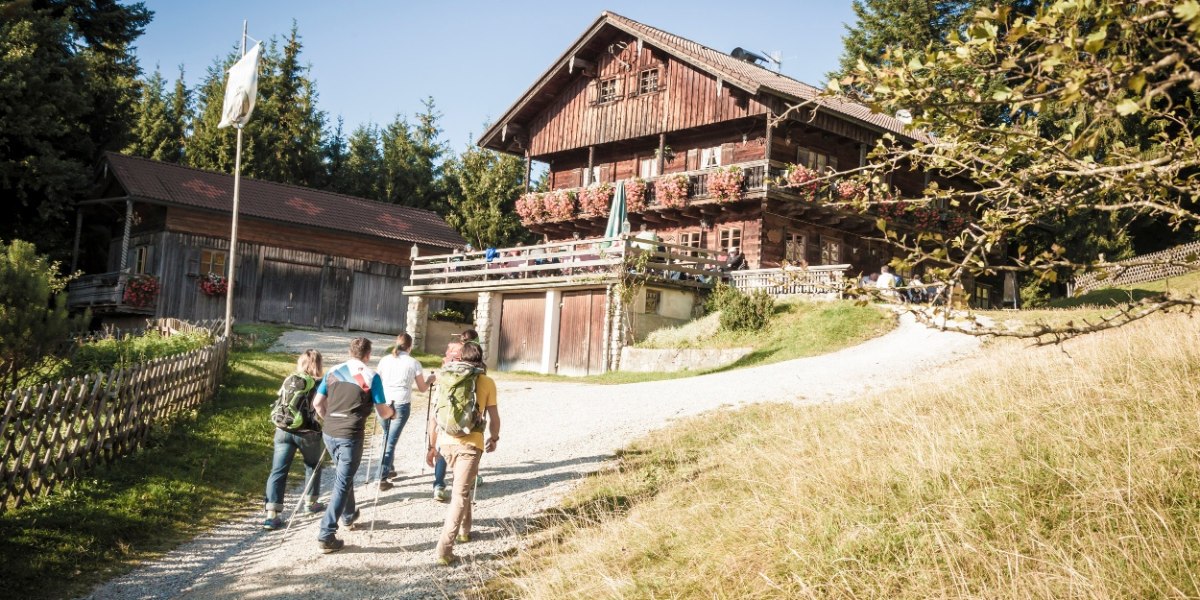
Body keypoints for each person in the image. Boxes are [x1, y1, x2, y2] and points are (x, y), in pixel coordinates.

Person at [312, 337, 395, 554]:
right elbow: (383, 411)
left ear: (350, 352)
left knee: (343, 476)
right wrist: (392, 412)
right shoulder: (371, 376)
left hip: (329, 431)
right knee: (342, 481)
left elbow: (317, 404)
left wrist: (328, 419)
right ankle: (326, 533)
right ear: (368, 355)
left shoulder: (333, 372)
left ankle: (348, 516)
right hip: (351, 434)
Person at [426, 341, 500, 565]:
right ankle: (444, 550)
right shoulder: (486, 381)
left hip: (446, 443)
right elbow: (494, 417)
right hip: (470, 444)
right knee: (459, 494)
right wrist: (494, 438)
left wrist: (432, 446)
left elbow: (434, 416)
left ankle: (465, 530)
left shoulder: (446, 378)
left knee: (463, 486)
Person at [262, 349, 326, 530]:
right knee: (313, 465)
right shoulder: (316, 383)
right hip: (306, 432)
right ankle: (310, 503)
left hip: (283, 429)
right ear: (317, 364)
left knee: (278, 470)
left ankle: (271, 515)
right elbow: (318, 405)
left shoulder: (290, 379)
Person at [375, 333, 435, 491]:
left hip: (384, 402)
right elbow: (422, 388)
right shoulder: (413, 363)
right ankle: (381, 477)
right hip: (401, 403)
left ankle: (389, 467)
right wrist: (430, 380)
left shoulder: (384, 360)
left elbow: (377, 381)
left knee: (387, 436)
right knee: (390, 440)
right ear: (410, 346)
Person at [432, 329, 479, 501]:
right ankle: (467, 481)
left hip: (444, 415)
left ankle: (438, 485)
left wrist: (431, 442)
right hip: (464, 420)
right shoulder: (472, 364)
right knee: (466, 449)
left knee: (442, 449)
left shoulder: (448, 359)